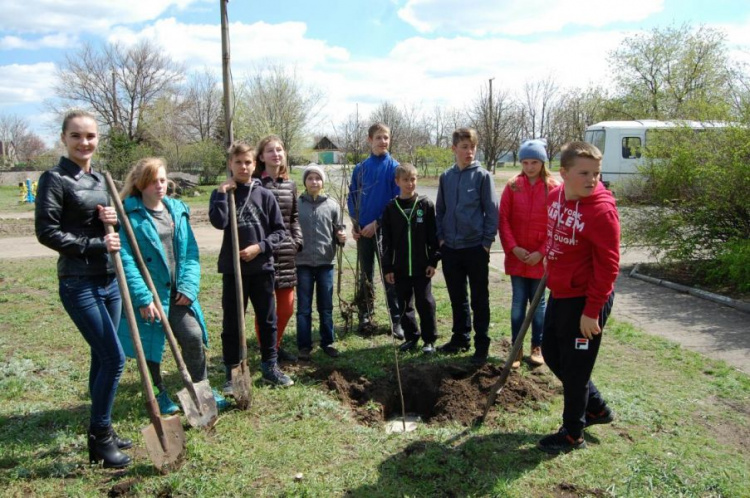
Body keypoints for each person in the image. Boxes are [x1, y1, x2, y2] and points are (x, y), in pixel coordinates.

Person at [35, 110, 131, 468]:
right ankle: (100, 439)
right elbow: (47, 232)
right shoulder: (55, 179)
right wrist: (95, 245)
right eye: (76, 136)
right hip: (78, 281)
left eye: (90, 136)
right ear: (64, 138)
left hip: (109, 279)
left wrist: (113, 222)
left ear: (98, 139)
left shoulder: (101, 179)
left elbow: (109, 227)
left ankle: (102, 427)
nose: (84, 142)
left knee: (100, 357)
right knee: (114, 358)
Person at [116, 157, 229, 415]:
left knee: (193, 336)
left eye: (163, 180)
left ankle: (201, 389)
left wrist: (189, 287)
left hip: (177, 293)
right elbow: (126, 260)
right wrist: (143, 298)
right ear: (140, 184)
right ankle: (158, 394)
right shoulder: (129, 215)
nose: (160, 186)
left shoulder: (176, 211)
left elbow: (190, 252)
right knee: (151, 348)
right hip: (150, 295)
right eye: (153, 181)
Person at [537, 141, 620, 454]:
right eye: (584, 173)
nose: (592, 179)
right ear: (564, 173)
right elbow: (552, 229)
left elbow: (609, 267)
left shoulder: (602, 212)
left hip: (587, 298)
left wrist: (592, 311)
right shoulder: (556, 196)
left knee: (575, 368)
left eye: (596, 173)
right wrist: (549, 253)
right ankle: (596, 408)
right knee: (551, 352)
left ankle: (573, 433)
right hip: (561, 290)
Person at [209, 142, 293, 388]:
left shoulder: (265, 195)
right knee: (232, 322)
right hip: (233, 270)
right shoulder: (223, 193)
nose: (243, 167)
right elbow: (219, 222)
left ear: (254, 164)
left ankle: (269, 366)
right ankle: (232, 372)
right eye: (238, 162)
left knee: (267, 320)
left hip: (262, 269)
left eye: (247, 162)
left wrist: (260, 247)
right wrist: (223, 194)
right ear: (230, 165)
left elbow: (279, 231)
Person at [435, 127, 499, 365]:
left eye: (472, 147)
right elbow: (440, 210)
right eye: (464, 147)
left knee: (479, 298)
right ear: (454, 149)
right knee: (457, 296)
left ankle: (481, 343)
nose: (469, 152)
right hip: (451, 248)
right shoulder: (446, 177)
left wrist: (486, 243)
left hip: (475, 248)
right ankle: (460, 337)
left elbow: (491, 212)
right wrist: (441, 239)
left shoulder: (483, 176)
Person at [499, 139, 558, 368]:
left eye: (534, 162)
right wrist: (514, 248)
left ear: (542, 162)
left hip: (539, 260)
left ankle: (537, 346)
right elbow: (503, 220)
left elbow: (556, 224)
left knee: (538, 306)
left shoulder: (553, 188)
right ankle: (516, 347)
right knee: (517, 305)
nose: (530, 167)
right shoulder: (513, 186)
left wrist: (541, 252)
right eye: (525, 162)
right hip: (518, 257)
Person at [346, 123, 403, 338]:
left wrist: (377, 223)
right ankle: (365, 315)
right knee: (365, 274)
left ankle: (396, 319)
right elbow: (352, 197)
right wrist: (356, 223)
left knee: (390, 274)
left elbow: (396, 202)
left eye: (386, 137)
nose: (383, 142)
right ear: (370, 140)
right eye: (379, 137)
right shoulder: (360, 169)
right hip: (363, 232)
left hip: (385, 232)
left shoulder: (394, 168)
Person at [253, 135, 304, 363]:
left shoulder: (290, 185)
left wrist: (297, 241)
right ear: (261, 157)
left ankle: (275, 345)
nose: (276, 154)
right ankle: (269, 352)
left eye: (280, 150)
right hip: (262, 253)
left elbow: (293, 217)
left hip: (286, 252)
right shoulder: (254, 184)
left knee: (286, 308)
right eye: (270, 150)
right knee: (266, 309)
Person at [382, 163, 440, 355]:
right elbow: (387, 242)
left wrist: (433, 261)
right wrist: (388, 268)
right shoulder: (391, 208)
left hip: (422, 266)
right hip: (399, 267)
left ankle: (429, 339)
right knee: (404, 304)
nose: (410, 183)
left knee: (425, 302)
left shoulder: (425, 205)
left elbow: (434, 236)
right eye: (405, 180)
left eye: (413, 179)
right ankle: (411, 337)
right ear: (397, 181)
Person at [295, 165, 346, 360]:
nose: (314, 181)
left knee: (326, 307)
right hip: (303, 263)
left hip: (326, 263)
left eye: (318, 178)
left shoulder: (332, 205)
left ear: (322, 182)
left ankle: (328, 342)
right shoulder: (297, 205)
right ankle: (304, 346)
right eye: (310, 178)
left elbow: (339, 231)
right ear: (305, 182)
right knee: (304, 308)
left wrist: (341, 238)